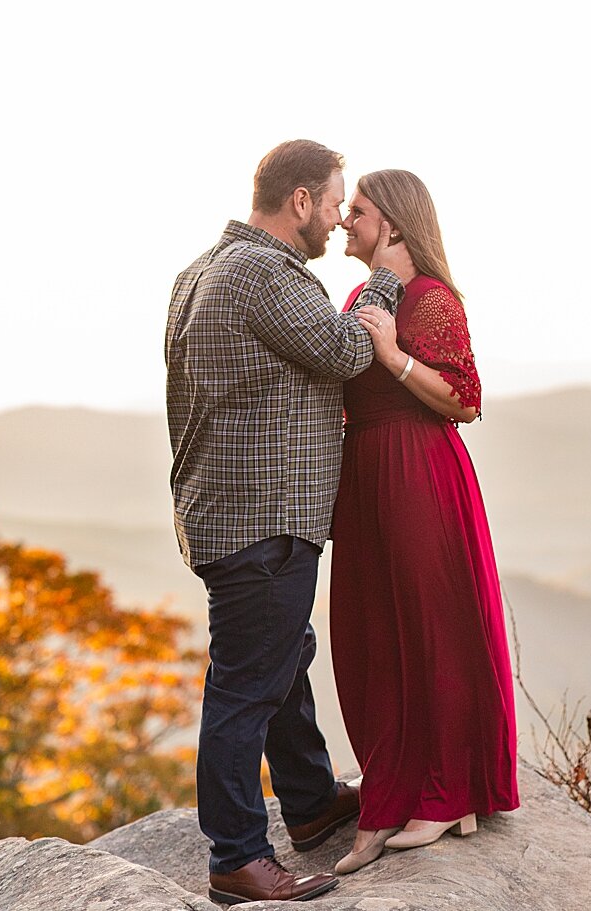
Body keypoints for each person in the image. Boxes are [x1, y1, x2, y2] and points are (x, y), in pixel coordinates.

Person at [165, 140, 415, 905]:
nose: (340, 216)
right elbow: (346, 351)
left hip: (226, 512)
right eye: (336, 201)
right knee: (246, 687)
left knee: (281, 657)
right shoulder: (265, 275)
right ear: (300, 200)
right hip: (262, 520)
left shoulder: (200, 271)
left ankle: (309, 803)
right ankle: (237, 855)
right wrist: (386, 280)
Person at [327, 169, 519, 876]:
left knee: (432, 625)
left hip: (418, 470)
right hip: (368, 473)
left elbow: (465, 399)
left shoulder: (432, 300)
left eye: (359, 211)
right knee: (376, 629)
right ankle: (394, 789)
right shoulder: (359, 295)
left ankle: (446, 790)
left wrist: (393, 356)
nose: (346, 221)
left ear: (396, 224)